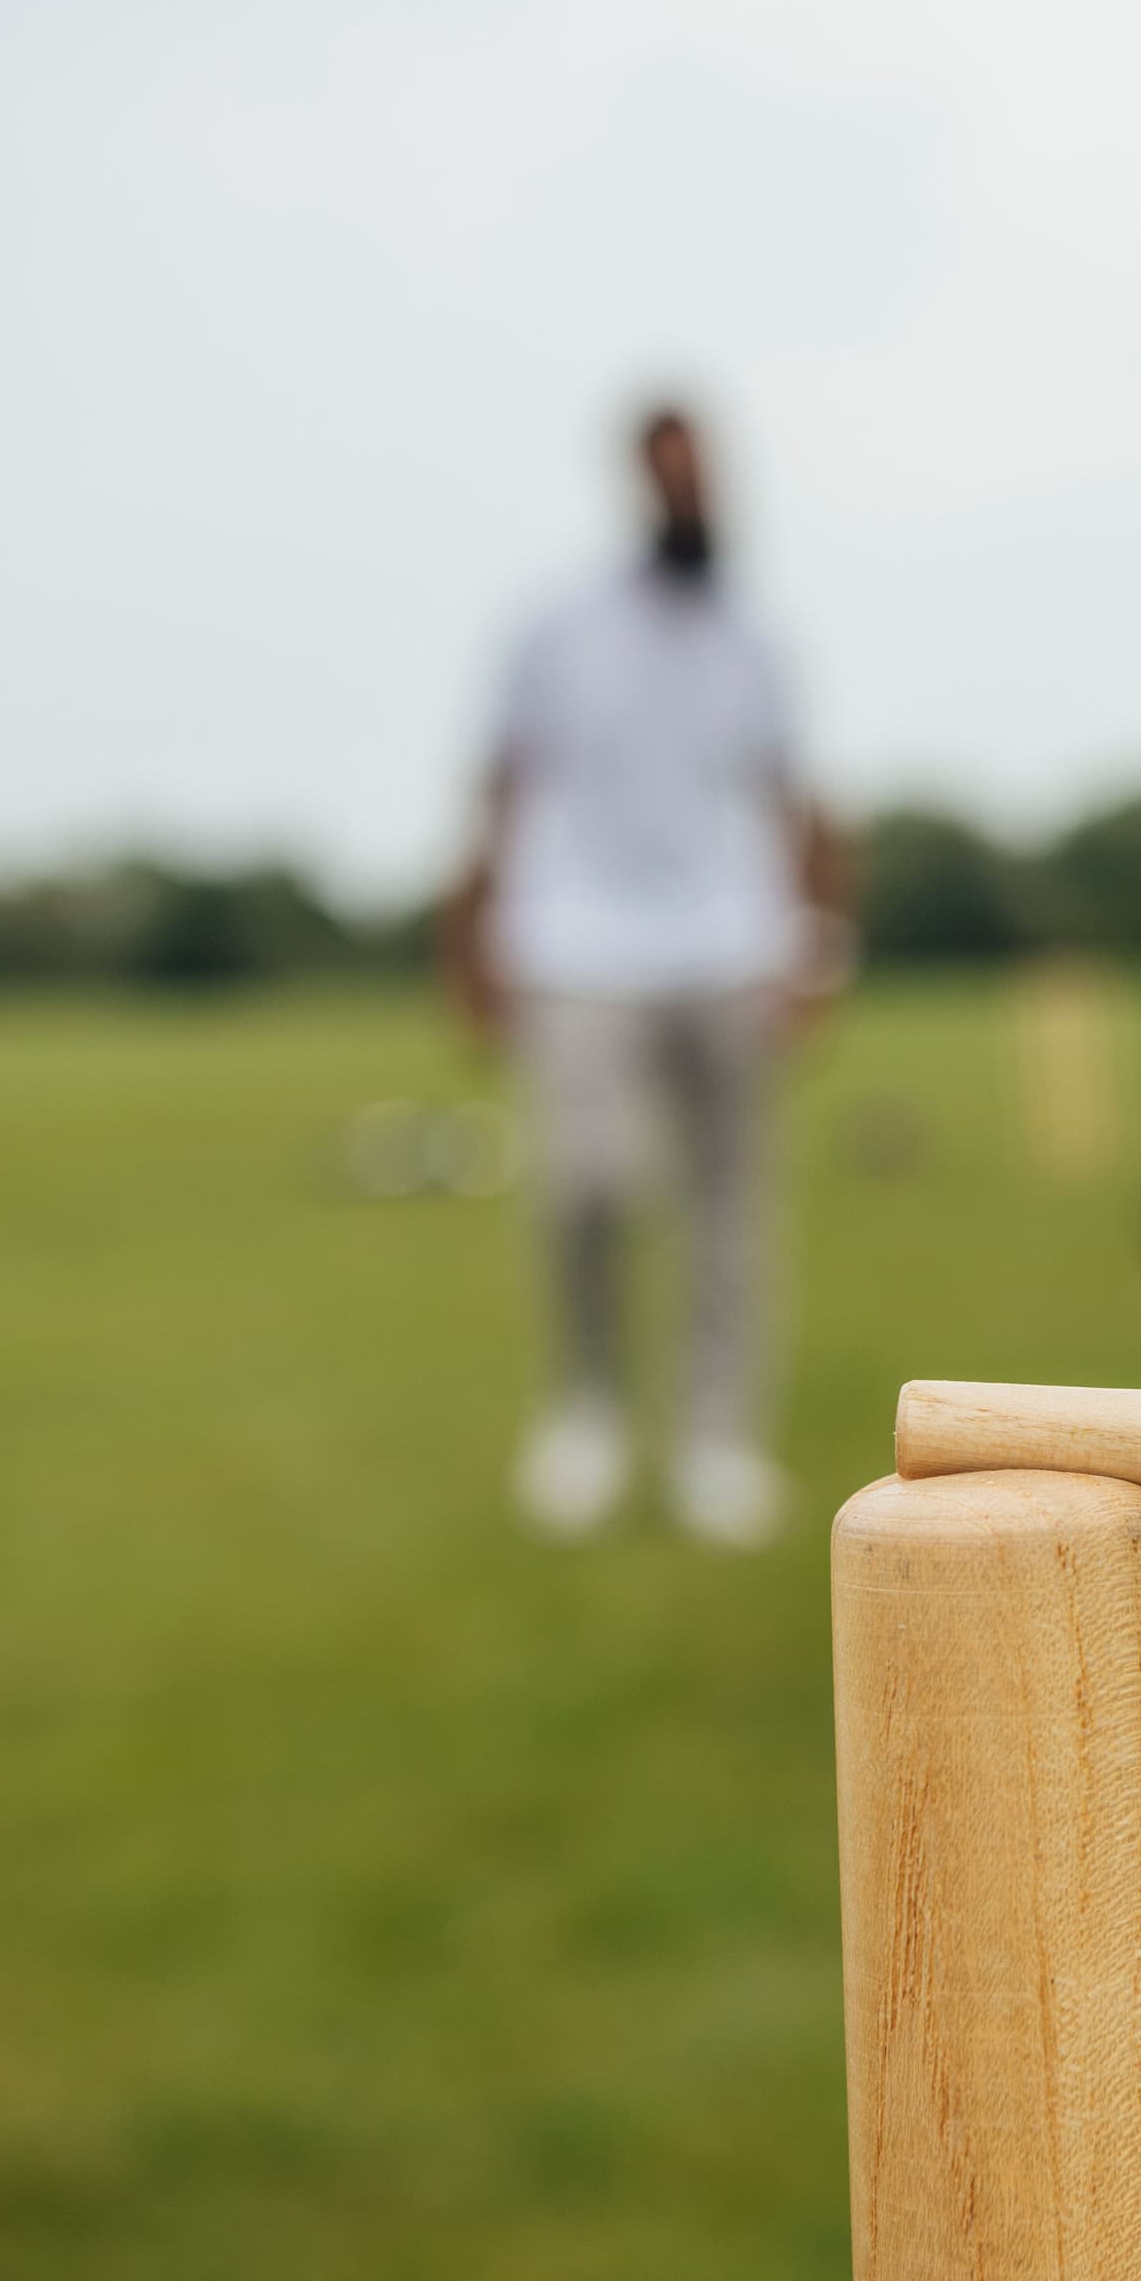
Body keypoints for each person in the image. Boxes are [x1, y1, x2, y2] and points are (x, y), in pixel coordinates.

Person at [444, 401, 846, 1549]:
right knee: (588, 1181)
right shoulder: (557, 623)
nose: (691, 492)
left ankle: (718, 1440)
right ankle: (586, 1411)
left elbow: (796, 797)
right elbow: (503, 781)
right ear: (637, 480)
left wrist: (815, 950)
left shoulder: (757, 631)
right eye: (670, 473)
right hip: (578, 944)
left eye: (704, 472)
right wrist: (470, 941)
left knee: (733, 1209)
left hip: (732, 944)